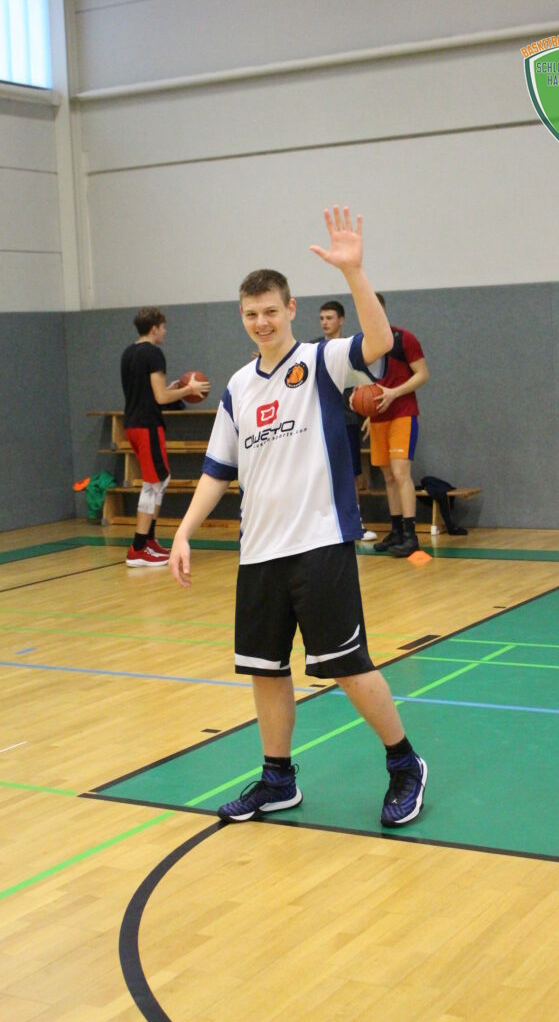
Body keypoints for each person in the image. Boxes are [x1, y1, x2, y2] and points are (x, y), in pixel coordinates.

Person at [169, 205, 427, 828]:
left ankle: (405, 763)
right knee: (264, 670)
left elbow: (380, 344)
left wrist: (354, 272)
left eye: (270, 311)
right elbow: (217, 470)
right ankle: (277, 780)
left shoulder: (322, 361)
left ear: (290, 309)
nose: (261, 322)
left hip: (320, 543)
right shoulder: (238, 387)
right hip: (259, 551)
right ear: (243, 318)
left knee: (347, 666)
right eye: (250, 314)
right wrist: (182, 532)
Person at [120, 307, 210, 567]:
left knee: (160, 478)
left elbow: (148, 392)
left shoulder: (128, 353)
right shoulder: (153, 353)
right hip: (147, 425)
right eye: (163, 327)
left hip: (132, 423)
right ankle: (138, 547)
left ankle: (148, 540)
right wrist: (188, 389)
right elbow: (161, 398)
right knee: (154, 482)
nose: (165, 332)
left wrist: (171, 389)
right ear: (154, 328)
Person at [369, 294, 430, 557]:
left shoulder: (404, 338)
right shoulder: (362, 345)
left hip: (403, 413)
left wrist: (394, 393)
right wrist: (361, 404)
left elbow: (423, 374)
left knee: (401, 472)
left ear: (383, 310)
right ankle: (396, 531)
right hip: (378, 417)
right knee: (388, 477)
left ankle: (410, 534)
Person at [313, 299, 376, 542]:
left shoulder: (352, 350)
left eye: (329, 318)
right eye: (321, 318)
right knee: (320, 473)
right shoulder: (312, 349)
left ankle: (355, 522)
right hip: (319, 421)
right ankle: (322, 524)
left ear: (341, 320)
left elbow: (367, 383)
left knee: (350, 473)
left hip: (347, 420)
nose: (324, 322)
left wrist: (370, 414)